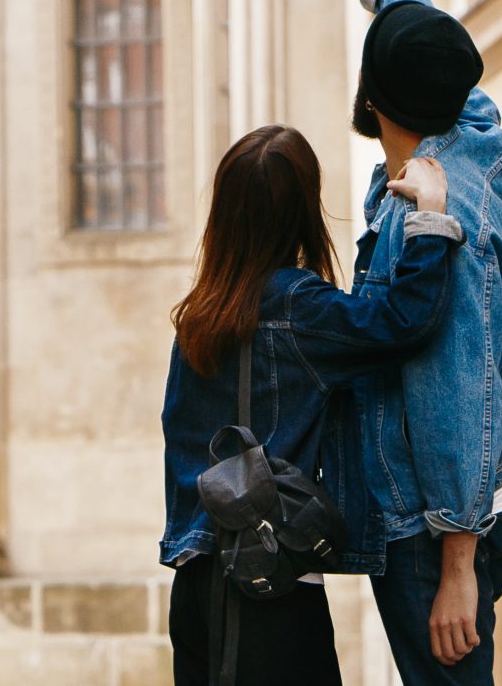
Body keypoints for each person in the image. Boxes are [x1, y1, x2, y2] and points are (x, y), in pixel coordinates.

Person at [159, 124, 463, 686]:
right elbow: (403, 322)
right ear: (302, 210)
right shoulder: (302, 307)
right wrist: (432, 216)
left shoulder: (196, 319)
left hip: (195, 584)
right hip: (268, 586)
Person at [332, 0, 502, 685]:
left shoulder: (435, 218)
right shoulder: (474, 130)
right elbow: (419, 32)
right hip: (464, 510)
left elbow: (456, 384)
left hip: (436, 526)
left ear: (374, 100)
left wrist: (457, 567)